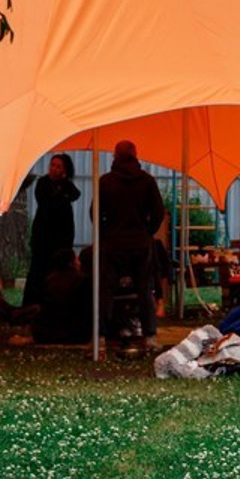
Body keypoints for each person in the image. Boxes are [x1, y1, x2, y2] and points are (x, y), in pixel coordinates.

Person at [96, 139, 165, 346]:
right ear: (136, 155)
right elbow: (158, 212)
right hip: (140, 243)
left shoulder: (106, 181)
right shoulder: (147, 181)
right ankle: (150, 335)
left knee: (106, 290)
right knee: (144, 290)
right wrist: (146, 231)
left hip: (113, 243)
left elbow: (96, 212)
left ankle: (100, 335)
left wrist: (105, 233)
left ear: (115, 156)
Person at [23, 153, 80, 309]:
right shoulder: (43, 183)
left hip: (62, 234)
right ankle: (33, 302)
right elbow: (47, 201)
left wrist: (63, 183)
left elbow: (75, 194)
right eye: (52, 165)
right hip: (44, 233)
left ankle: (56, 302)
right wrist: (61, 193)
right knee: (38, 268)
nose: (54, 169)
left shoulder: (66, 185)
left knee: (58, 267)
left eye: (58, 166)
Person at [30, 248, 92, 345]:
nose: (79, 263)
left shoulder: (48, 280)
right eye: (77, 260)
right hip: (74, 335)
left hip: (45, 334)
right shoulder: (83, 281)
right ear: (71, 263)